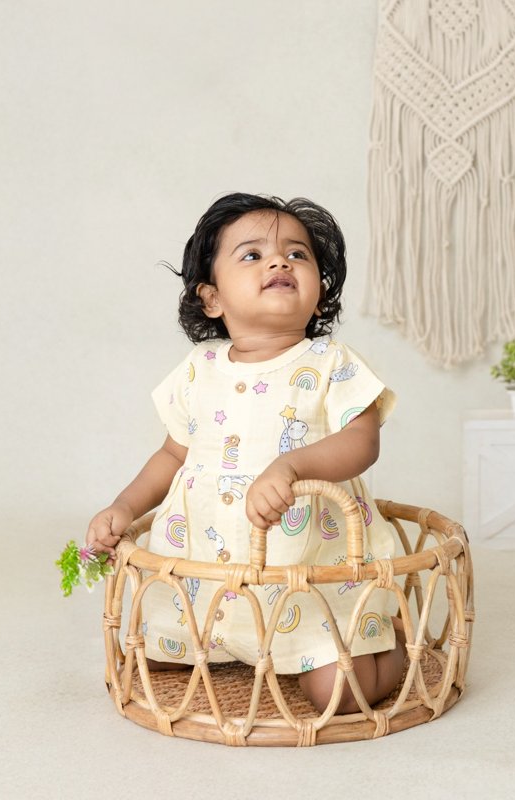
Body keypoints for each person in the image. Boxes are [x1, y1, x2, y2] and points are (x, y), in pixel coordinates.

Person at [86, 194, 404, 713]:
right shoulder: (198, 367)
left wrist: (292, 466)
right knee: (152, 658)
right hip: (207, 568)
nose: (280, 262)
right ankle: (230, 642)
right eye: (252, 255)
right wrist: (124, 507)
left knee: (339, 694)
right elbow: (172, 454)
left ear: (320, 296)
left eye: (298, 255)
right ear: (212, 299)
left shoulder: (330, 362)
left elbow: (362, 440)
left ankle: (382, 641)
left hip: (306, 574)